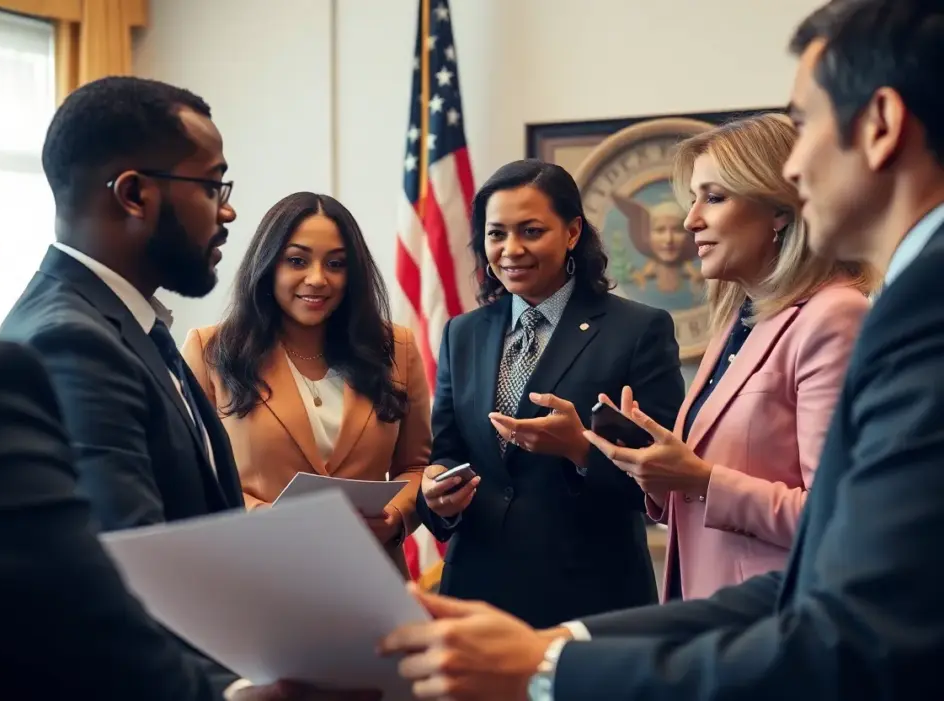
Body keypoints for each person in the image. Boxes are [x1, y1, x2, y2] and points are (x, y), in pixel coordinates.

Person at [378, 1, 944, 698]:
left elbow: (851, 606)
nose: (795, 166)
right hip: (667, 617)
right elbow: (808, 582)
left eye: (803, 125)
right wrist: (562, 643)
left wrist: (551, 661)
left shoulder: (896, 312)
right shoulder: (748, 320)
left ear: (882, 123)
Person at [0, 95, 371, 701]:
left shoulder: (134, 326)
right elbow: (120, 577)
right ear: (134, 195)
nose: (229, 210)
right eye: (213, 187)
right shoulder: (69, 339)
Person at [605, 113, 874, 603]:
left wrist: (699, 478)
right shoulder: (741, 317)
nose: (691, 221)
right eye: (693, 200)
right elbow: (701, 491)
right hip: (711, 617)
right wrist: (654, 466)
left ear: (780, 211)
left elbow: (837, 517)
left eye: (714, 197)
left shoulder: (834, 316)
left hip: (778, 623)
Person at [415, 158, 685, 628]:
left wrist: (580, 449)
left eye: (531, 231)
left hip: (591, 598)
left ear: (573, 232)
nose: (510, 249)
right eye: (496, 233)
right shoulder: (463, 332)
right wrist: (436, 494)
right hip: (475, 594)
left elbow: (663, 481)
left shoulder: (639, 330)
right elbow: (447, 450)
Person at [182, 192, 430, 575]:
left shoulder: (396, 348)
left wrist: (395, 516)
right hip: (258, 575)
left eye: (336, 264)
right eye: (297, 261)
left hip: (369, 576)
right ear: (268, 266)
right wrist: (270, 521)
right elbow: (193, 476)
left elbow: (416, 466)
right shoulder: (210, 350)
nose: (317, 279)